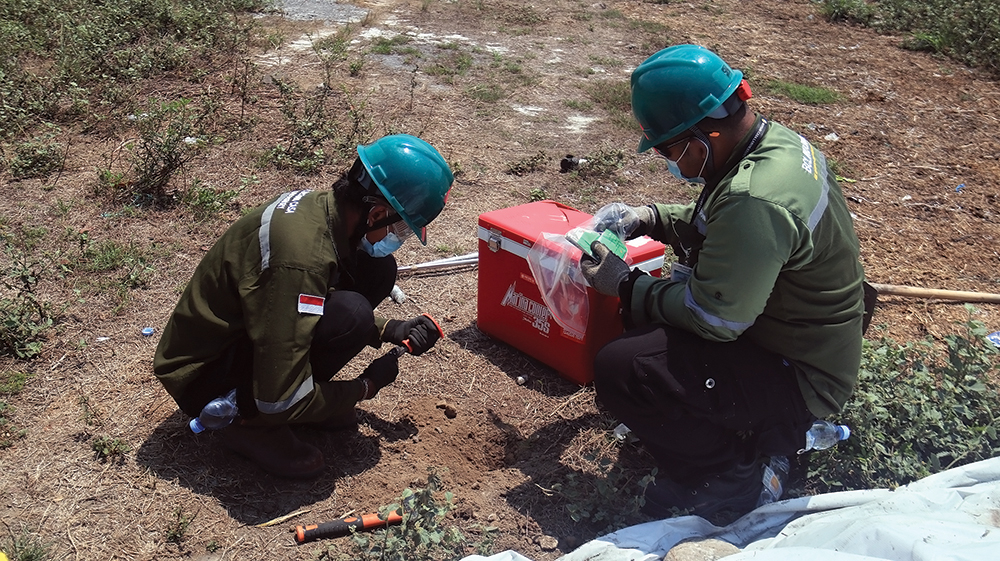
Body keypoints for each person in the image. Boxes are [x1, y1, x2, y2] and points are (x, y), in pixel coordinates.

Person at [579, 45, 868, 521]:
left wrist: (627, 285)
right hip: (797, 335)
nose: (668, 160)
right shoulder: (772, 146)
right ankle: (736, 431)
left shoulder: (757, 197)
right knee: (650, 327)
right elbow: (727, 225)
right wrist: (651, 218)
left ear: (702, 137)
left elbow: (714, 318)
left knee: (626, 367)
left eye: (668, 149)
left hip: (799, 375)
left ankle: (736, 477)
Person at [153, 134, 453, 479]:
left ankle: (302, 395)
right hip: (204, 374)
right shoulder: (300, 260)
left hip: (245, 332)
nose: (399, 237)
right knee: (353, 314)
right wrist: (364, 387)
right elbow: (306, 298)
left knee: (376, 271)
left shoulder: (326, 210)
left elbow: (312, 300)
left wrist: (389, 329)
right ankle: (250, 422)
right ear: (376, 213)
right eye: (401, 227)